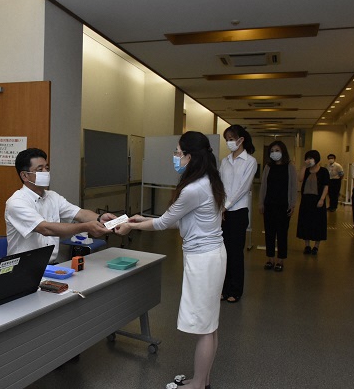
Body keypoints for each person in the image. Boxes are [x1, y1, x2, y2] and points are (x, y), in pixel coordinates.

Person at [116, 131, 226, 389]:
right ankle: (203, 379)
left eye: (178, 152)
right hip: (211, 256)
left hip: (203, 261)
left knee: (204, 327)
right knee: (209, 324)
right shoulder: (210, 180)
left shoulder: (193, 188)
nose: (175, 157)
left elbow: (165, 222)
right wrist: (143, 220)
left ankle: (198, 384)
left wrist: (132, 226)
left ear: (190, 156)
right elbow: (182, 220)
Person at [5, 148, 114, 263]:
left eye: (47, 168)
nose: (46, 172)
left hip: (50, 265)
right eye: (40, 169)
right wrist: (86, 227)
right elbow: (45, 229)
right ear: (24, 176)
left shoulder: (52, 196)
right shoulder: (16, 202)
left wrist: (99, 218)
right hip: (22, 267)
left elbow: (79, 213)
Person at [219, 125, 257, 303]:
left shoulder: (250, 161)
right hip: (223, 211)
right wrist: (220, 206)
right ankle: (224, 288)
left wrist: (226, 206)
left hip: (238, 211)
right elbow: (220, 185)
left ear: (241, 140)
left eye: (231, 139)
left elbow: (243, 188)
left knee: (235, 252)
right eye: (227, 139)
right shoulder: (225, 161)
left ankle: (235, 290)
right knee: (223, 252)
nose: (229, 142)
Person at [259, 141, 297, 272]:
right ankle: (270, 259)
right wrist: (261, 203)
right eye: (272, 151)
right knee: (269, 233)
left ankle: (280, 260)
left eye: (277, 150)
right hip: (269, 204)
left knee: (282, 233)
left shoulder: (290, 167)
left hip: (283, 205)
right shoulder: (268, 167)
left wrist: (292, 204)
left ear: (283, 151)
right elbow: (263, 186)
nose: (274, 153)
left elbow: (293, 186)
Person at [297, 150, 329, 255]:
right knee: (306, 221)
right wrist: (304, 166)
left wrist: (322, 199)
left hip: (318, 200)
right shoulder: (306, 170)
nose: (309, 160)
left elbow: (326, 186)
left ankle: (316, 246)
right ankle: (307, 245)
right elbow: (300, 179)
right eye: (307, 158)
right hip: (306, 200)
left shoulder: (323, 171)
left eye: (311, 158)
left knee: (318, 222)